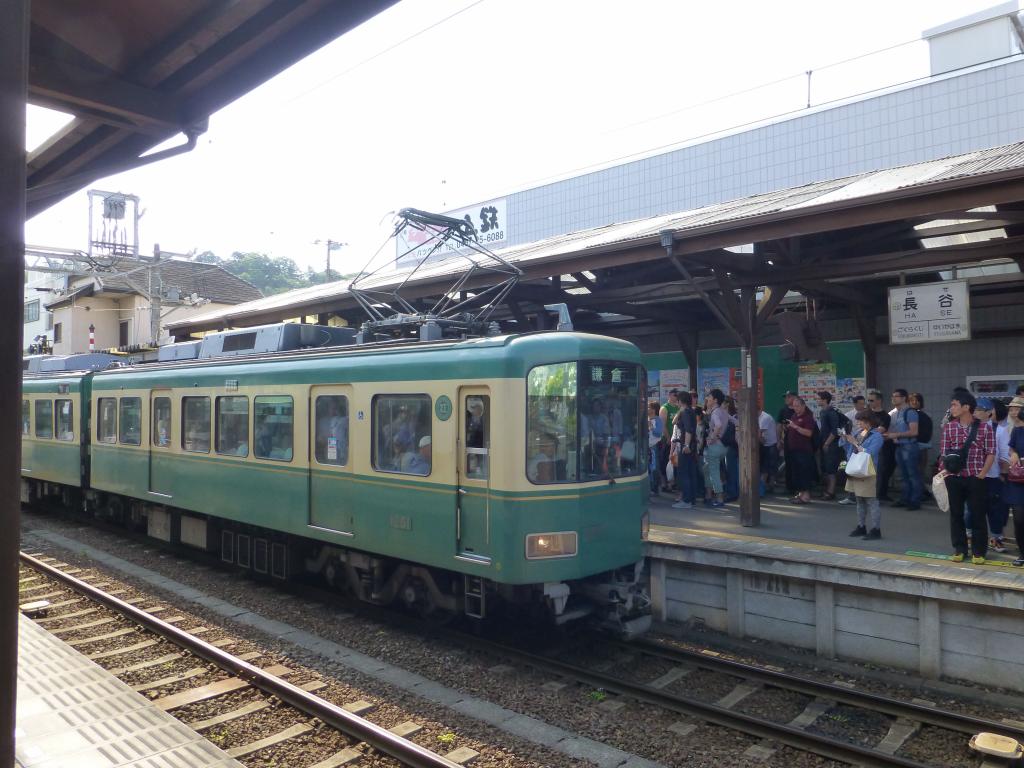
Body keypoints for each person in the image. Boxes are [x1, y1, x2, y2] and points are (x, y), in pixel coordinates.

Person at [939, 390, 995, 564]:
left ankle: (979, 552)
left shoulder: (985, 427)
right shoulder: (949, 427)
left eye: (955, 404)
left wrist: (982, 474)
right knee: (956, 514)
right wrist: (945, 472)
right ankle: (959, 548)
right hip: (954, 477)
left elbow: (991, 453)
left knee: (977, 514)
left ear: (966, 407)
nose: (952, 408)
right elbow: (943, 453)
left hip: (975, 477)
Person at [842, 409, 884, 539]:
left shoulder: (876, 436)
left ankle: (876, 529)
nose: (858, 423)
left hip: (868, 470)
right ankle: (861, 526)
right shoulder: (858, 432)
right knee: (859, 499)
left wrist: (853, 442)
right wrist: (844, 438)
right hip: (856, 468)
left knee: (871, 500)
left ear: (869, 422)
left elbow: (870, 453)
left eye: (860, 421)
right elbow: (847, 448)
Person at [980, 399, 1011, 553]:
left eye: (981, 409)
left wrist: (1003, 475)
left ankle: (996, 537)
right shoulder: (970, 429)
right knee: (972, 509)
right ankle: (971, 535)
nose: (976, 412)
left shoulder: (1000, 430)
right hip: (974, 475)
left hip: (993, 476)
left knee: (995, 508)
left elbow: (1005, 456)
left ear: (990, 412)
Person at [886, 388, 922, 510]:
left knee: (913, 474)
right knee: (904, 475)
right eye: (892, 396)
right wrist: (894, 436)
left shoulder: (910, 412)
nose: (893, 398)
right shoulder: (899, 412)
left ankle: (915, 501)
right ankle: (905, 498)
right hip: (900, 446)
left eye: (896, 396)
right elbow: (901, 430)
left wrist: (896, 435)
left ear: (903, 398)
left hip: (910, 446)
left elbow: (914, 431)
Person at [1002, 395, 1024, 567]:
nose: (1014, 412)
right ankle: (1022, 553)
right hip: (1018, 479)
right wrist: (1014, 455)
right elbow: (1012, 448)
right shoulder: (1017, 430)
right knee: (1018, 517)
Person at [785, 396, 817, 504]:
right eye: (794, 406)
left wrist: (795, 427)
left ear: (803, 406)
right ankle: (800, 494)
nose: (795, 408)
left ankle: (806, 496)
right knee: (796, 473)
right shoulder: (794, 415)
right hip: (793, 450)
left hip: (804, 450)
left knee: (804, 473)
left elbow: (809, 433)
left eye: (798, 406)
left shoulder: (808, 417)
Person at [671, 392, 698, 509]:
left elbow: (688, 430)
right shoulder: (689, 411)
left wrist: (686, 445)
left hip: (685, 446)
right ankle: (691, 499)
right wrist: (680, 410)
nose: (676, 403)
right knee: (690, 472)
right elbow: (674, 422)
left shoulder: (686, 413)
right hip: (691, 446)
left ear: (681, 401)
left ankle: (686, 500)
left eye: (678, 401)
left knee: (684, 473)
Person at [867, 389, 894, 501]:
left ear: (879, 401)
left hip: (881, 447)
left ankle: (879, 495)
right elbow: (862, 429)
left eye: (872, 400)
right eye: (868, 400)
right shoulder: (867, 413)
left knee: (880, 471)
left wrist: (868, 430)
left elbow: (880, 430)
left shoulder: (885, 416)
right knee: (867, 471)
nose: (869, 402)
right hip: (867, 446)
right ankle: (868, 494)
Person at [703, 389, 728, 507]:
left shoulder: (715, 413)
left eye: (710, 397)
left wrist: (712, 438)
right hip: (724, 446)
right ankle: (709, 494)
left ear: (715, 400)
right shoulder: (723, 411)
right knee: (707, 469)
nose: (708, 398)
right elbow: (736, 422)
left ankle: (719, 498)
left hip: (714, 446)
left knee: (714, 472)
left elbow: (718, 425)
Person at [817, 391, 842, 500]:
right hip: (824, 443)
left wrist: (827, 443)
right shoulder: (823, 411)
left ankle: (831, 492)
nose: (817, 400)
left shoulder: (831, 412)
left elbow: (834, 431)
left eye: (818, 399)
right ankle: (827, 490)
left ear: (824, 400)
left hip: (831, 445)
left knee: (831, 469)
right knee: (826, 468)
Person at [909, 392, 932, 500]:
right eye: (912, 400)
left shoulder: (918, 415)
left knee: (916, 472)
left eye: (917, 400)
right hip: (921, 447)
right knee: (917, 472)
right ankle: (920, 493)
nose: (914, 402)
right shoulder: (923, 415)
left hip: (918, 447)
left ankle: (917, 495)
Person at [777, 391, 797, 495]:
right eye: (785, 397)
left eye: (788, 397)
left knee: (798, 464)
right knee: (788, 464)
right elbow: (779, 425)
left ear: (794, 398)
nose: (786, 399)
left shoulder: (800, 409)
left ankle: (800, 488)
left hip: (799, 442)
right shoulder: (783, 410)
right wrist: (778, 440)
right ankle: (789, 487)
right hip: (787, 441)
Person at [723, 396, 740, 502]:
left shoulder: (734, 417)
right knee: (728, 470)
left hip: (732, 447)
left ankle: (733, 492)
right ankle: (730, 491)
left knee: (732, 471)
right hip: (725, 446)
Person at [758, 407, 778, 495]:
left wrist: (761, 441)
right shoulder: (758, 416)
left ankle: (766, 488)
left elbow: (759, 434)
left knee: (768, 467)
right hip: (766, 445)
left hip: (770, 445)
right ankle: (766, 487)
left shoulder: (764, 417)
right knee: (766, 467)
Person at [647, 401, 663, 495]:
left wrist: (651, 426)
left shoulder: (658, 420)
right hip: (646, 446)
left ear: (653, 409)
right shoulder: (646, 419)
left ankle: (655, 487)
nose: (647, 409)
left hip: (654, 446)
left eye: (649, 407)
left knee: (654, 467)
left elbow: (658, 433)